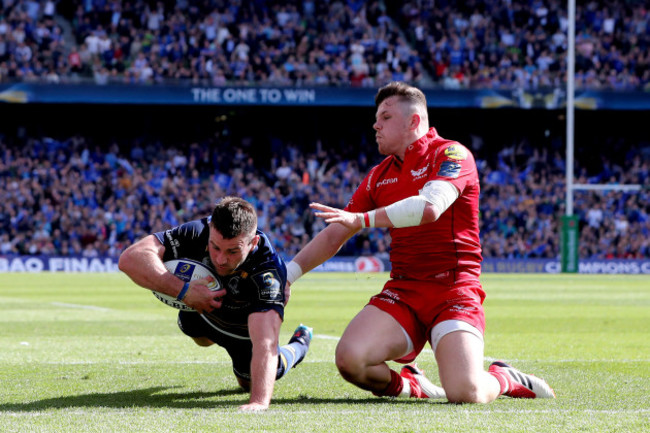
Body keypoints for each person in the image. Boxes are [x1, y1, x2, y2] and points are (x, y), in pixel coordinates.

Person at [285, 81, 555, 403]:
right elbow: (337, 231)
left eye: (385, 116)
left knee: (466, 393)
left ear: (413, 121)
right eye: (376, 117)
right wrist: (288, 276)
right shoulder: (378, 175)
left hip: (453, 289)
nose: (375, 124)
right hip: (405, 290)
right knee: (350, 360)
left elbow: (429, 208)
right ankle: (411, 386)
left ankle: (502, 376)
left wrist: (364, 219)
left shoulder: (453, 154)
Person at [119, 196, 312, 411]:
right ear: (210, 228)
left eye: (232, 251)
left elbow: (264, 343)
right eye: (215, 247)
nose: (220, 259)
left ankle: (299, 346)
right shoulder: (197, 231)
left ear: (253, 243)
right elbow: (131, 258)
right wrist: (184, 291)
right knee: (199, 338)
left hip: (242, 332)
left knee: (249, 383)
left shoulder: (268, 271)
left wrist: (258, 402)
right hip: (199, 313)